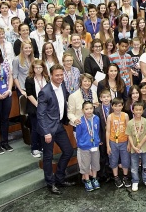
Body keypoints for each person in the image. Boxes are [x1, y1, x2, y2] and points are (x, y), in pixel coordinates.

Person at [37, 63, 76, 195]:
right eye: (57, 75)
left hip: (58, 125)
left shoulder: (63, 85)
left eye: (61, 75)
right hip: (47, 128)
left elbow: (69, 98)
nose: (60, 77)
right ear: (51, 76)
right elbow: (40, 115)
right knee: (48, 157)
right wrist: (46, 132)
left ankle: (59, 178)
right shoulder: (45, 92)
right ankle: (50, 183)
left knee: (68, 151)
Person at [74, 101, 102, 192]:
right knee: (85, 164)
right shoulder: (80, 121)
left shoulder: (96, 118)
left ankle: (94, 178)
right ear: (83, 110)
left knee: (95, 163)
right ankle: (87, 180)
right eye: (86, 109)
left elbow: (97, 131)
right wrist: (81, 144)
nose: (89, 111)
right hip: (84, 146)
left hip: (95, 145)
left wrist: (97, 140)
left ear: (93, 109)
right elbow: (78, 135)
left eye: (91, 108)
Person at [126, 101, 146, 191]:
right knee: (134, 166)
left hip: (144, 147)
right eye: (136, 110)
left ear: (143, 110)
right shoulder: (130, 123)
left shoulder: (145, 121)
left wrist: (140, 144)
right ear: (133, 110)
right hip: (134, 148)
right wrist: (133, 146)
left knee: (145, 165)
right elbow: (129, 135)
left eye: (140, 110)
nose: (138, 112)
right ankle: (135, 181)